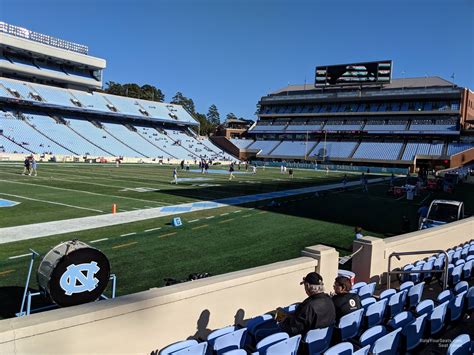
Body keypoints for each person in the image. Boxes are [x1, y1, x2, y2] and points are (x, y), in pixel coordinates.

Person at [254, 272, 336, 340]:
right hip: (321, 341)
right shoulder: (329, 299)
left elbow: (294, 329)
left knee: (259, 333)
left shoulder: (308, 306)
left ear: (307, 286)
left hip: (301, 341)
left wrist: (282, 318)